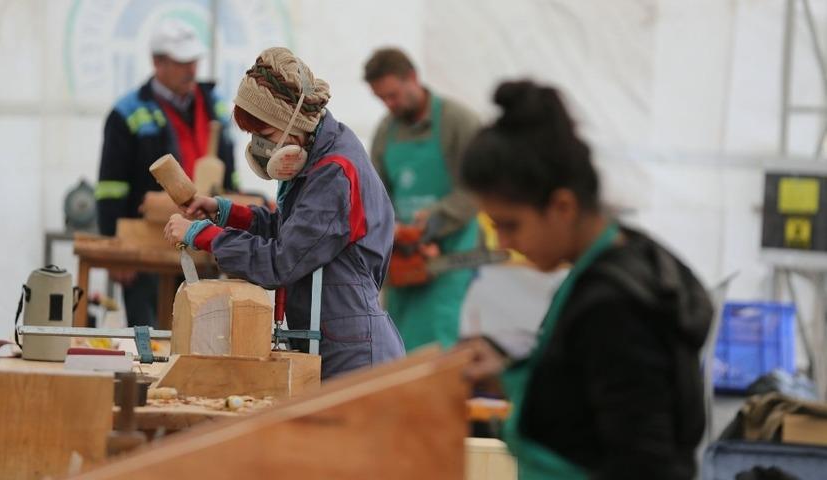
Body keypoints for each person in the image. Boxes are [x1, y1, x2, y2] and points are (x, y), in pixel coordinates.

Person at [460, 81, 712, 479]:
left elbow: (645, 464)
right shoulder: (624, 257)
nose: (505, 244)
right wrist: (505, 372)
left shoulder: (616, 306)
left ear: (562, 205)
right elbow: (587, 401)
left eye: (510, 226)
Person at [163, 47, 405, 379]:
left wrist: (202, 236)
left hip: (354, 356)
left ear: (292, 121)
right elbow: (292, 231)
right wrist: (222, 212)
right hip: (335, 341)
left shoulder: (335, 171)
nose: (260, 147)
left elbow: (282, 261)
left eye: (264, 135)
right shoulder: (320, 151)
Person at [96, 19, 236, 327]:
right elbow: (110, 189)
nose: (191, 70)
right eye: (182, 62)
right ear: (157, 62)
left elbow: (231, 177)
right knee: (149, 338)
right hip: (146, 247)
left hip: (204, 243)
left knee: (202, 334)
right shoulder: (127, 112)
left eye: (194, 61)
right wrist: (114, 250)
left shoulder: (216, 105)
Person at [364, 47, 481, 351]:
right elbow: (374, 191)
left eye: (393, 95)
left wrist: (434, 220)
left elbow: (479, 187)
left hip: (449, 257)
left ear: (412, 78)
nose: (389, 105)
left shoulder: (459, 122)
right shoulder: (385, 131)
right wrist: (388, 228)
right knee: (396, 343)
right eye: (382, 99)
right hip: (402, 257)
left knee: (436, 344)